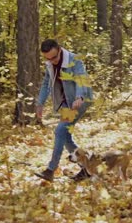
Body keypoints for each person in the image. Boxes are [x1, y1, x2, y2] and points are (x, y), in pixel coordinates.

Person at [34, 39, 93, 182]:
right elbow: (47, 84)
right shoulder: (49, 64)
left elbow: (81, 79)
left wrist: (79, 96)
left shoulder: (74, 60)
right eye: (48, 58)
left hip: (81, 100)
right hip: (66, 103)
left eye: (54, 57)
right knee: (65, 136)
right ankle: (88, 167)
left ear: (59, 49)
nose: (52, 61)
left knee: (60, 130)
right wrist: (40, 103)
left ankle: (50, 170)